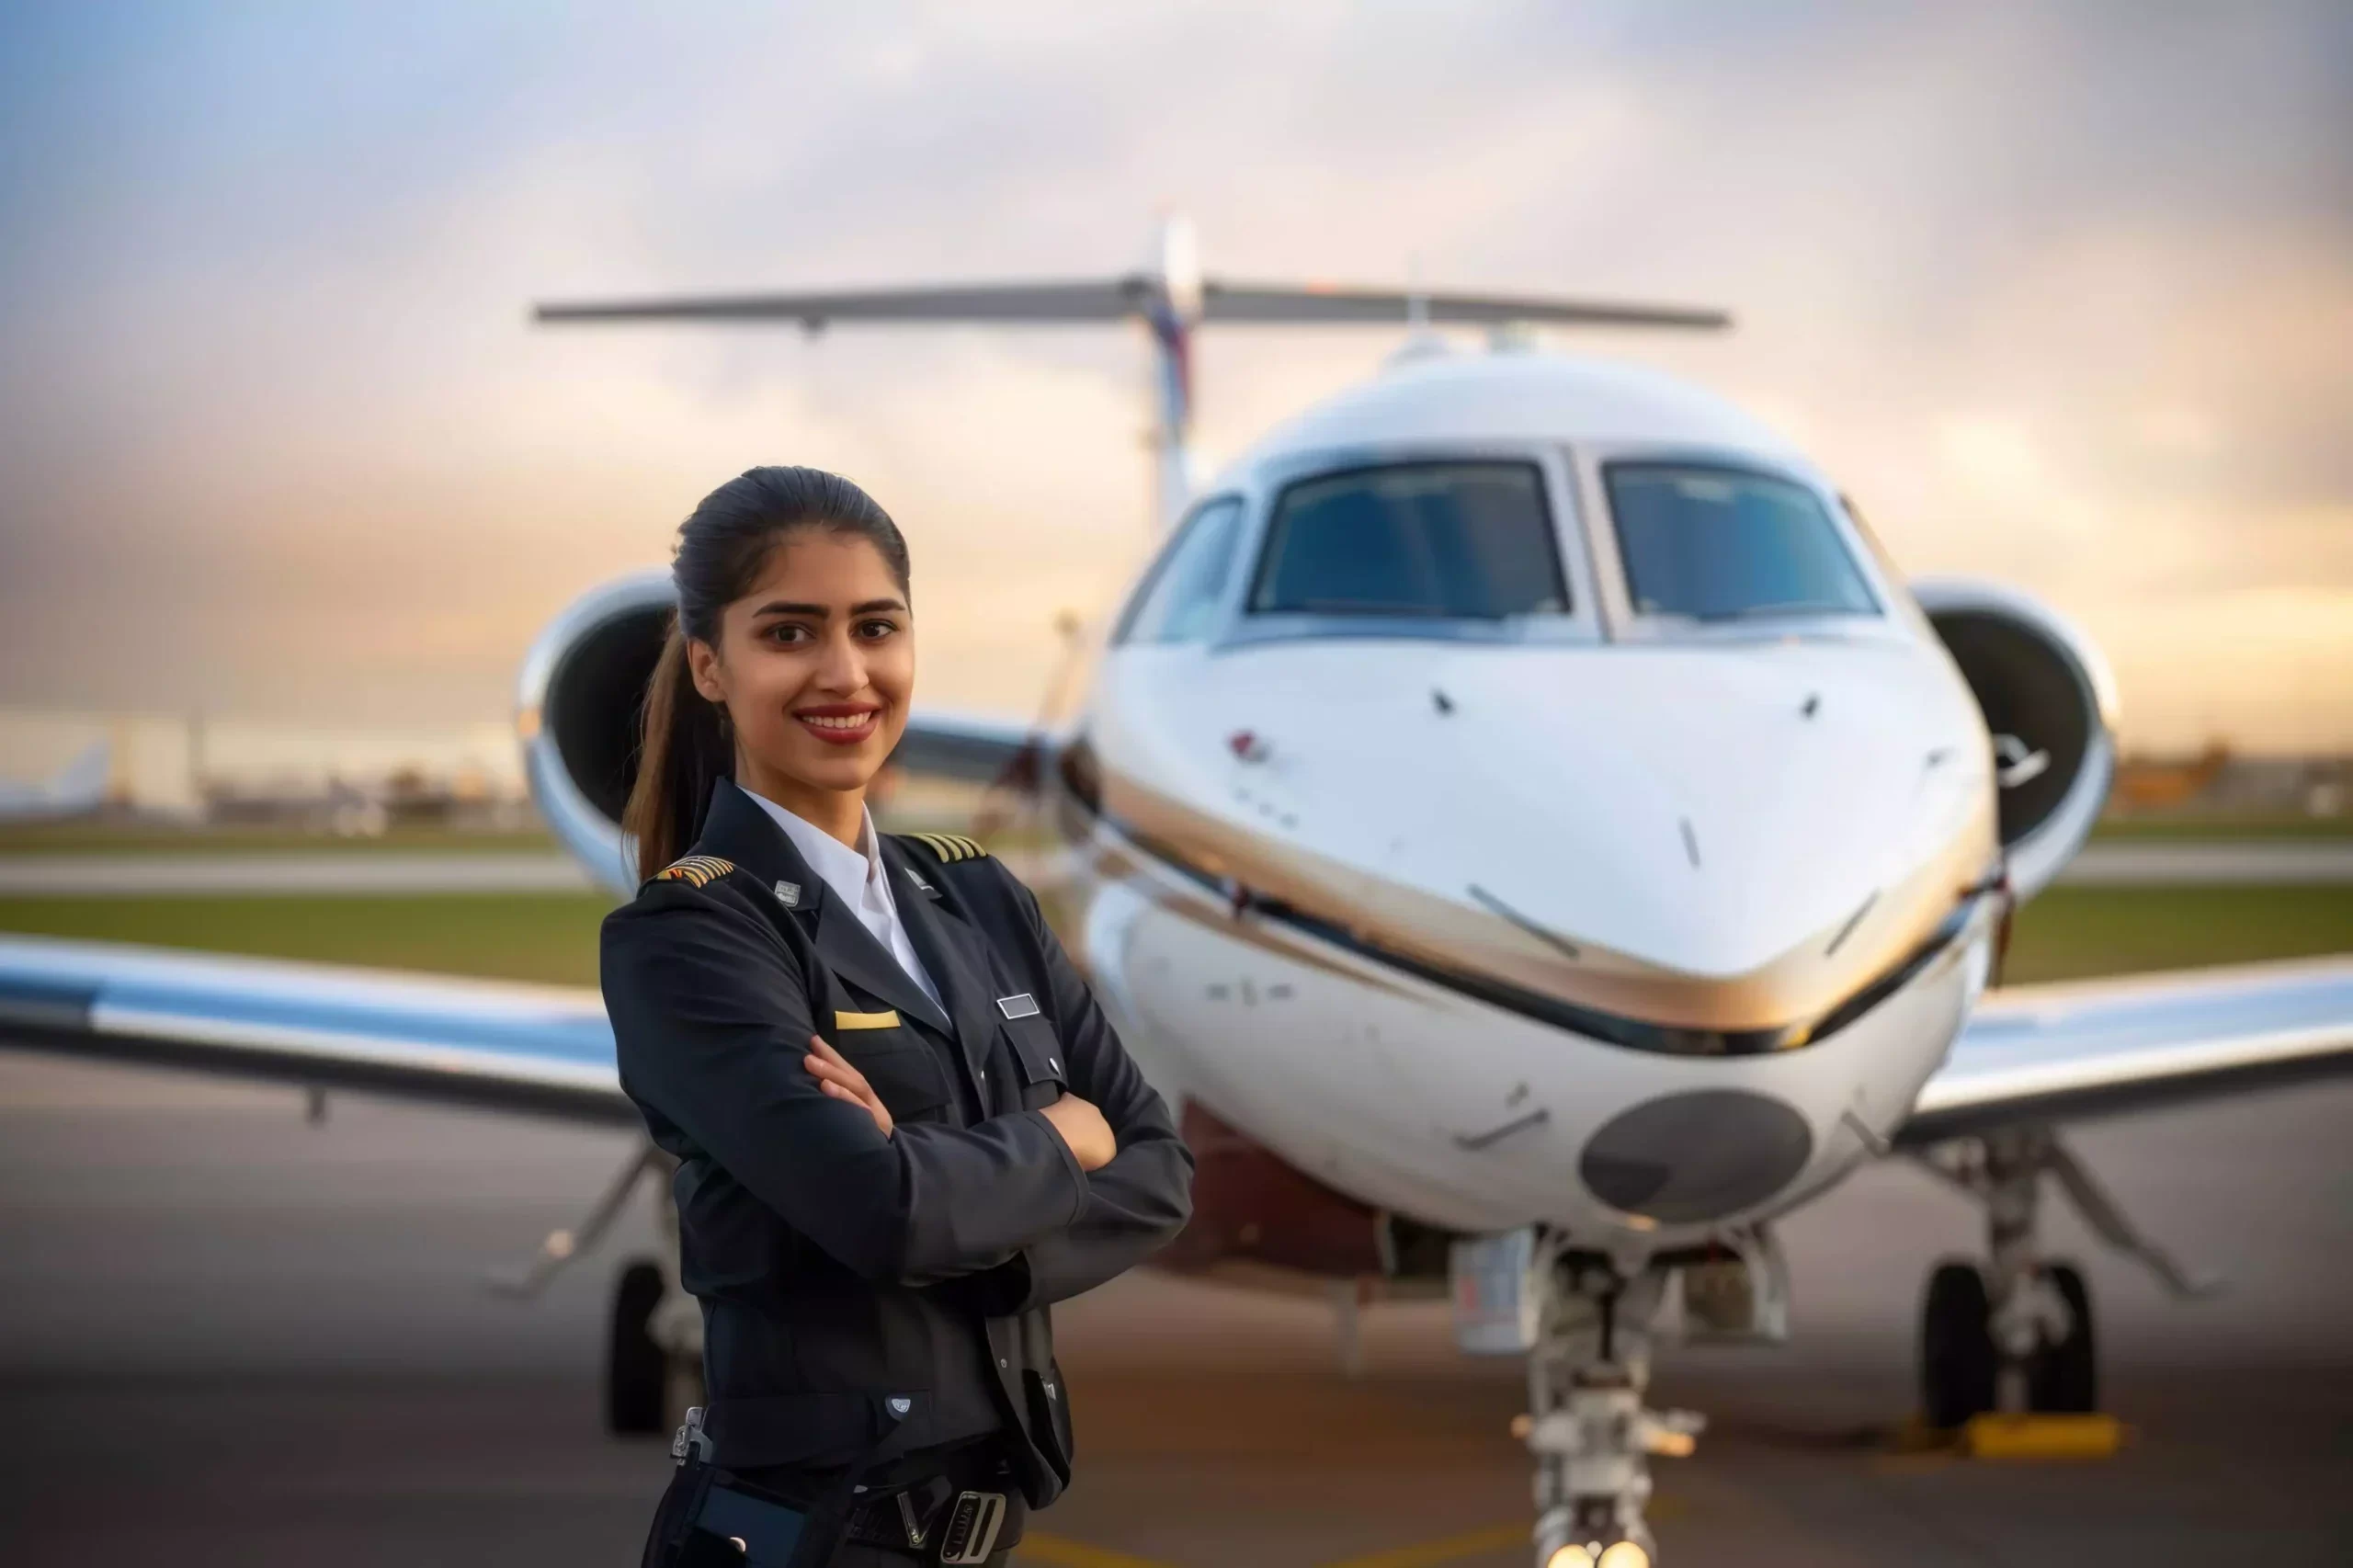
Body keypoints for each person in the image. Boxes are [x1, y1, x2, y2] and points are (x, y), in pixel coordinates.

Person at [601, 466, 1194, 1566]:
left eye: (877, 626)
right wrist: (1061, 1137)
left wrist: (954, 1204)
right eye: (789, 632)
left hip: (978, 1535)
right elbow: (883, 1213)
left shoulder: (976, 894)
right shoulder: (687, 937)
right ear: (709, 665)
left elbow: (1158, 1168)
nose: (845, 672)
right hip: (803, 1538)